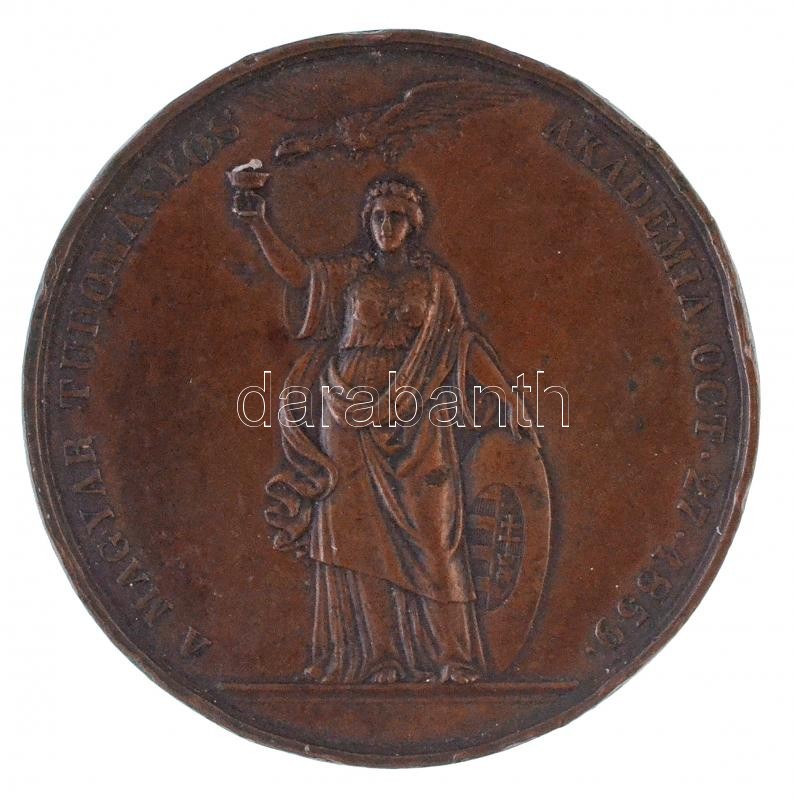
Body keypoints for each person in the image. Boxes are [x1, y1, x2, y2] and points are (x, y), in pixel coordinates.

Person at [234, 174, 530, 684]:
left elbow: (461, 344)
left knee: (435, 538)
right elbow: (297, 275)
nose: (385, 226)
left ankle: (451, 658)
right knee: (355, 540)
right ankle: (376, 658)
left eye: (396, 217)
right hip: (346, 413)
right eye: (377, 218)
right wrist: (258, 220)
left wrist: (508, 397)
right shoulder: (348, 275)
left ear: (413, 225)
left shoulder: (437, 283)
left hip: (420, 416)